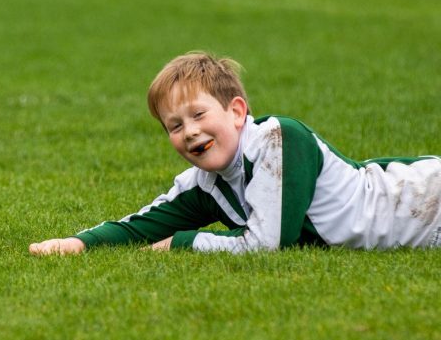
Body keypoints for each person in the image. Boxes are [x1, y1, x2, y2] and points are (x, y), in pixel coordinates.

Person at [30, 51, 441, 256]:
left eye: (198, 115)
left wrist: (184, 243)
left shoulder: (280, 139)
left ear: (237, 111)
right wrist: (77, 243)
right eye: (175, 125)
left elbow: (265, 242)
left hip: (429, 201)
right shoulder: (206, 182)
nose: (190, 131)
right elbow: (143, 224)